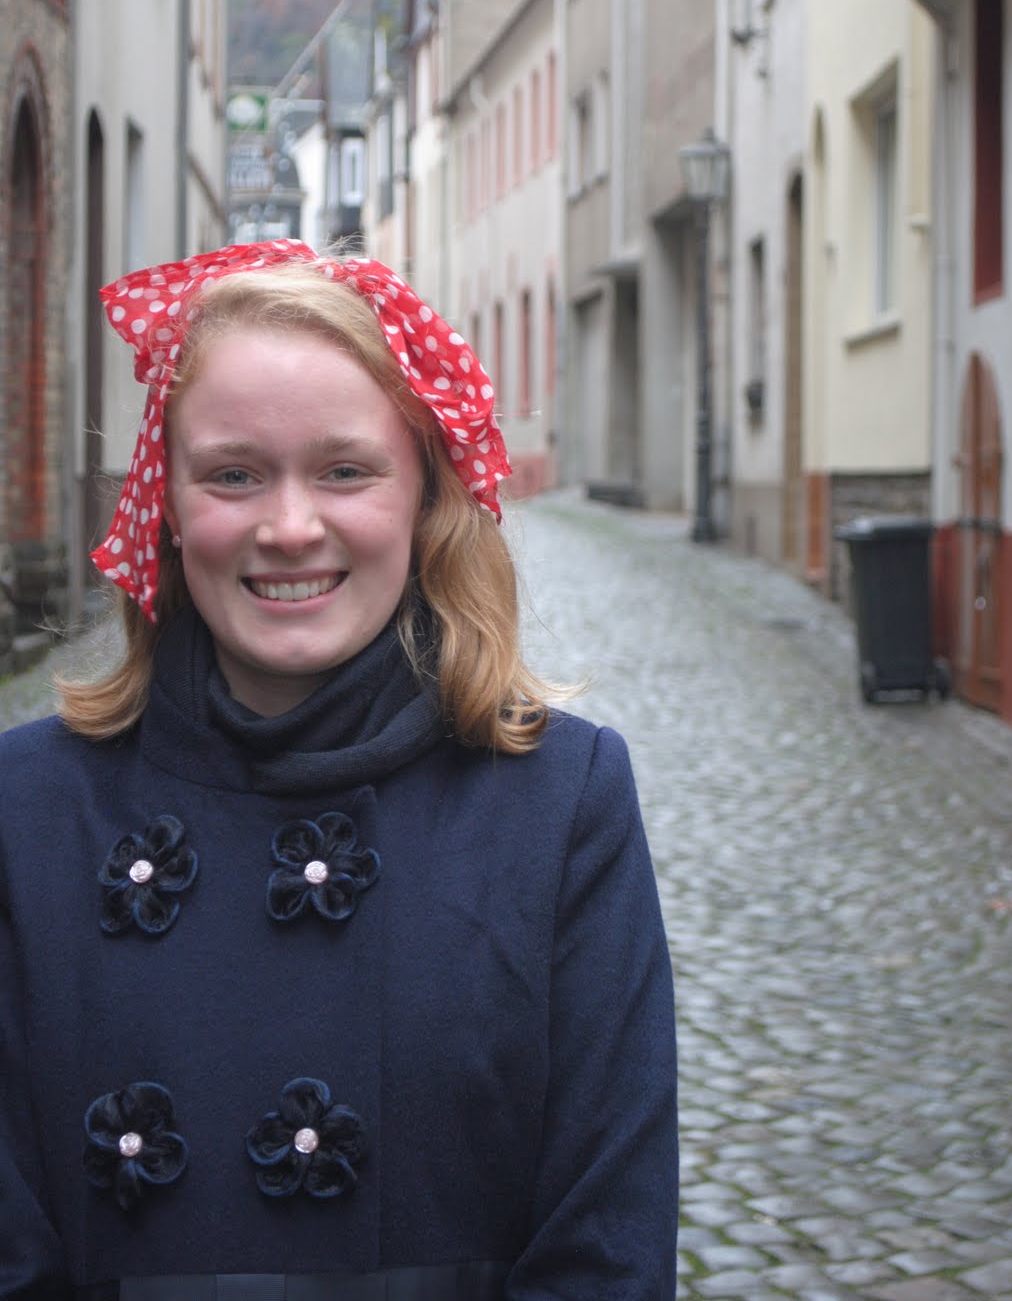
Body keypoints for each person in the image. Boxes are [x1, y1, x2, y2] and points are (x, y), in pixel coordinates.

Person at [0, 240, 678, 1301]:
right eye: (233, 474)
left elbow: (605, 1246)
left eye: (345, 471)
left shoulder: (562, 802)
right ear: (164, 502)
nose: (289, 527)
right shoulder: (27, 807)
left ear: (425, 497)